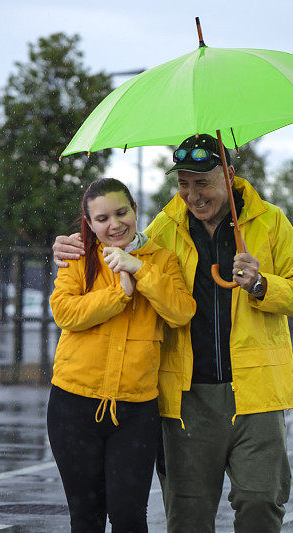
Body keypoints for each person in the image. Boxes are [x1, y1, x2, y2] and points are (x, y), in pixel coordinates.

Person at [53, 134, 293, 532]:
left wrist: (262, 284)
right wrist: (74, 244)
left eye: (204, 182)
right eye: (184, 184)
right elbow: (128, 245)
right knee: (188, 516)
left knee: (261, 502)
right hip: (187, 397)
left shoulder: (271, 223)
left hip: (258, 391)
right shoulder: (166, 227)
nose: (194, 195)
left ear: (228, 175)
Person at [47, 177, 196, 533]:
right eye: (101, 219)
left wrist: (138, 270)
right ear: (89, 222)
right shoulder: (78, 255)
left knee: (129, 518)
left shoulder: (161, 259)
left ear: (135, 211)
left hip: (135, 411)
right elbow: (65, 312)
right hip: (73, 404)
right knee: (86, 518)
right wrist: (119, 296)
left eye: (121, 212)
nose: (114, 225)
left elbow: (181, 312)